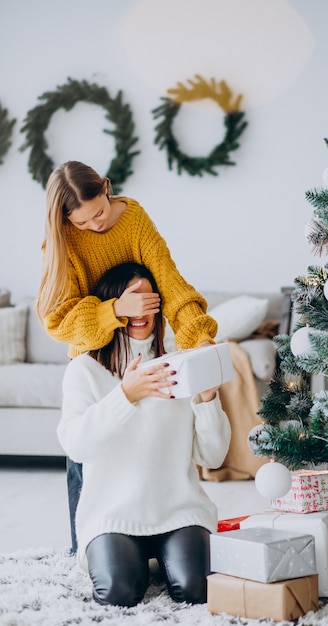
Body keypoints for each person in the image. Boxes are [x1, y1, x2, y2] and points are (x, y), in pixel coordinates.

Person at [36, 161, 218, 553]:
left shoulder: (133, 218)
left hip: (143, 347)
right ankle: (84, 549)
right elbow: (58, 321)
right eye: (82, 223)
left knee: (145, 455)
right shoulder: (63, 237)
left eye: (99, 212)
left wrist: (197, 337)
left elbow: (170, 284)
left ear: (106, 188)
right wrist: (115, 309)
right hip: (95, 358)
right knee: (87, 461)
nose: (95, 226)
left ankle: (158, 537)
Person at [57, 261, 231, 607]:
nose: (141, 312)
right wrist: (126, 395)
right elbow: (77, 445)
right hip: (113, 515)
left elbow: (212, 457)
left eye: (148, 300)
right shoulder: (84, 370)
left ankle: (158, 555)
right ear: (113, 307)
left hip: (178, 511)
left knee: (198, 590)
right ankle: (137, 558)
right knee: (119, 593)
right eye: (130, 301)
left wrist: (209, 398)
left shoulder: (180, 366)